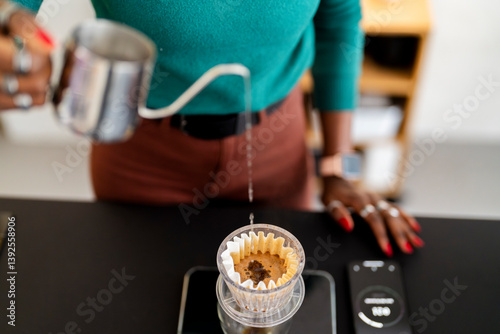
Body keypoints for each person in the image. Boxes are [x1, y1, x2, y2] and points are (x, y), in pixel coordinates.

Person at [0, 0, 424, 256]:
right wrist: (11, 35)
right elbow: (12, 13)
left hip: (277, 149)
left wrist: (337, 169)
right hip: (141, 152)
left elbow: (337, 24)